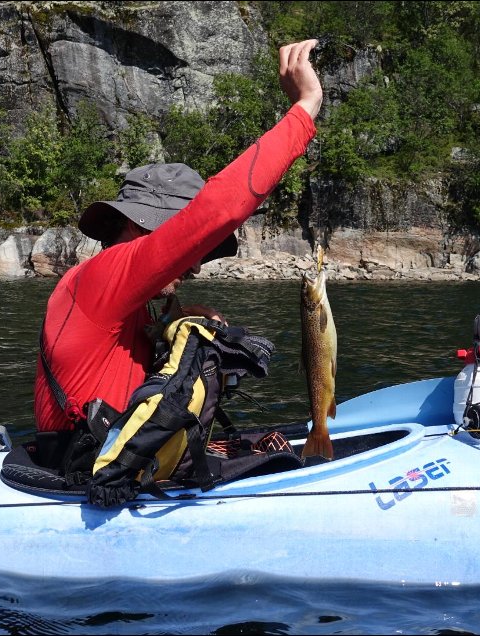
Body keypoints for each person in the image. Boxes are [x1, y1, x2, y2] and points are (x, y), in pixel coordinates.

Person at [34, 39, 323, 436]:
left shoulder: (124, 300)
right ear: (136, 227)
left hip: (121, 469)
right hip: (93, 481)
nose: (196, 263)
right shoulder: (104, 274)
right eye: (191, 246)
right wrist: (305, 106)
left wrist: (186, 318)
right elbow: (222, 208)